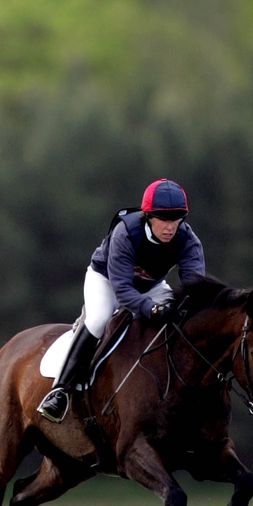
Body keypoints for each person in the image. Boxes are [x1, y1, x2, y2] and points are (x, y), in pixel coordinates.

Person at [37, 178, 206, 423]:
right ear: (148, 216)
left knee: (182, 319)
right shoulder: (125, 233)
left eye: (176, 218)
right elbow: (123, 290)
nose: (170, 226)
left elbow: (195, 287)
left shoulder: (187, 239)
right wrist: (153, 309)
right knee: (98, 320)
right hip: (107, 281)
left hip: (151, 286)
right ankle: (60, 391)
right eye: (164, 219)